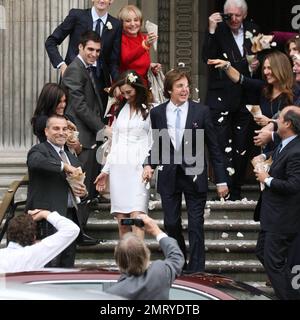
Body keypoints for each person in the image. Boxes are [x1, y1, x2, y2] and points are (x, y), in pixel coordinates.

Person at [142, 69, 228, 272]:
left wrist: (222, 180)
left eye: (187, 85)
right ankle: (179, 262)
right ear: (169, 90)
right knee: (171, 223)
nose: (185, 89)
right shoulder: (157, 113)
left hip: (195, 173)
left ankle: (197, 270)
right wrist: (149, 164)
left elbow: (214, 147)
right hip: (169, 174)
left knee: (196, 225)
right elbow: (158, 144)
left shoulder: (202, 111)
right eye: (180, 86)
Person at [202, 0, 260, 200]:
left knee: (241, 145)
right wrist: (211, 30)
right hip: (221, 96)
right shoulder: (217, 30)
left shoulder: (254, 29)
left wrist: (253, 65)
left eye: (237, 16)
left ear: (244, 15)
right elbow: (207, 58)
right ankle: (223, 188)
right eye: (229, 16)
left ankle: (236, 189)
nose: (233, 20)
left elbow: (261, 59)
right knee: (220, 144)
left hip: (246, 97)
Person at [94, 70, 152, 239]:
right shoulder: (120, 110)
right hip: (119, 167)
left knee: (137, 217)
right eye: (123, 92)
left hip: (139, 167)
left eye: (130, 92)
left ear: (138, 89)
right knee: (122, 222)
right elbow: (115, 144)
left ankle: (139, 262)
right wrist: (105, 171)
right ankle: (126, 263)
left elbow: (154, 141)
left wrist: (150, 164)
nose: (126, 96)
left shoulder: (150, 110)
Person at [26, 114, 89, 267]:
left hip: (69, 218)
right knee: (48, 267)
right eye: (56, 128)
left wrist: (83, 192)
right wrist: (63, 166)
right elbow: (35, 162)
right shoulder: (38, 150)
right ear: (46, 131)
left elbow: (75, 185)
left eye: (65, 129)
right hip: (46, 219)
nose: (61, 132)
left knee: (67, 267)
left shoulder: (71, 157)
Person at [253, 106, 300, 300]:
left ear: (288, 123)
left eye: (279, 118)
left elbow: (294, 185)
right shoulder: (287, 143)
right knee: (262, 252)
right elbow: (277, 151)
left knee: (274, 263)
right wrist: (264, 157)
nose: (275, 121)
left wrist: (266, 178)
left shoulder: (297, 151)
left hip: (282, 219)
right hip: (271, 216)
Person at [45, 0, 122, 107]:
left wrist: (117, 84)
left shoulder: (116, 25)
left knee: (96, 120)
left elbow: (113, 62)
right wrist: (62, 65)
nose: (102, 0)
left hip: (100, 82)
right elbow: (51, 42)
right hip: (73, 76)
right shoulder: (77, 16)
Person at [62, 31, 105, 216]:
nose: (94, 54)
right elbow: (79, 106)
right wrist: (102, 128)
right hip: (82, 138)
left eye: (97, 50)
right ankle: (79, 233)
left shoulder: (86, 68)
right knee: (80, 188)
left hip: (90, 137)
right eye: (90, 49)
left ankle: (83, 232)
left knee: (86, 188)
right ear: (80, 47)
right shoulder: (74, 69)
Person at [105, 214, 185, 300]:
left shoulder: (112, 294)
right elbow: (176, 257)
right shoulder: (159, 273)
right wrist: (156, 230)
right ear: (147, 254)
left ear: (118, 261)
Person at [0, 209, 80, 273]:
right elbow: (72, 229)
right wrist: (45, 213)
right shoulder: (34, 252)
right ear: (34, 237)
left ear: (8, 234)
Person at [31, 83, 82, 155]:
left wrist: (77, 145)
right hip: (51, 162)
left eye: (64, 101)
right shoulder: (41, 120)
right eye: (59, 102)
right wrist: (68, 124)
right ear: (50, 102)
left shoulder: (70, 118)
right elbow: (48, 122)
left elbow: (77, 152)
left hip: (70, 162)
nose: (63, 105)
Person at [118, 4, 161, 86]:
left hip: (144, 87)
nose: (133, 24)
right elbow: (126, 59)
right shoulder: (120, 39)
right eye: (128, 21)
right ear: (121, 24)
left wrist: (152, 68)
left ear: (141, 22)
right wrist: (144, 45)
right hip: (127, 87)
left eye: (136, 20)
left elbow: (142, 63)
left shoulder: (143, 38)